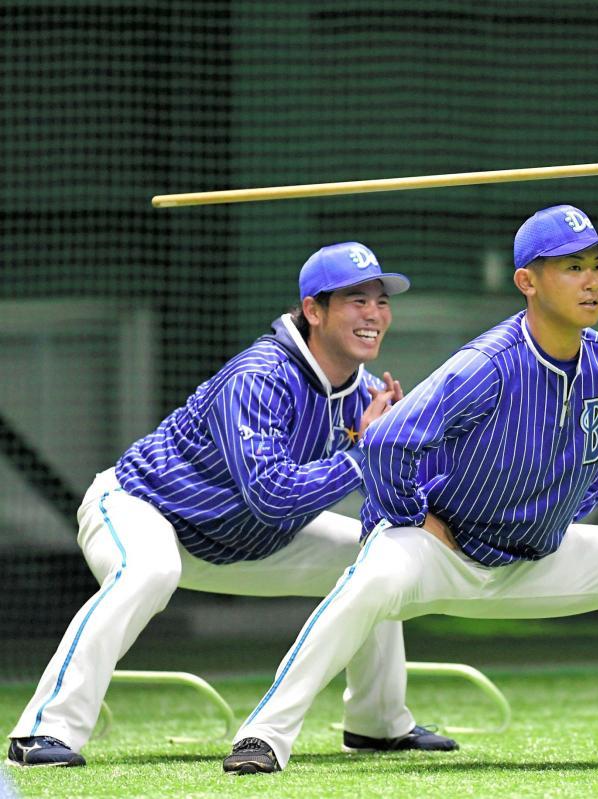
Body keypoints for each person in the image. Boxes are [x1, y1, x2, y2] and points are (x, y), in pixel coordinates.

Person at [221, 204, 598, 775]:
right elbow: (385, 443)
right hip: (442, 552)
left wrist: (568, 509)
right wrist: (413, 518)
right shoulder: (487, 364)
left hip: (537, 555)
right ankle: (265, 736)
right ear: (527, 282)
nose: (592, 279)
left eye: (597, 264)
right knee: (367, 583)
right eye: (572, 266)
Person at [6, 242, 457, 768]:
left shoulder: (369, 394)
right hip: (143, 510)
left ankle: (379, 725)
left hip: (244, 540)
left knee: (379, 556)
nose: (375, 314)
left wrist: (395, 456)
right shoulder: (259, 376)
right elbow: (272, 495)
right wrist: (366, 455)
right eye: (357, 300)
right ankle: (41, 731)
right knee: (149, 569)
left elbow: (393, 486)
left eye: (381, 301)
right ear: (314, 311)